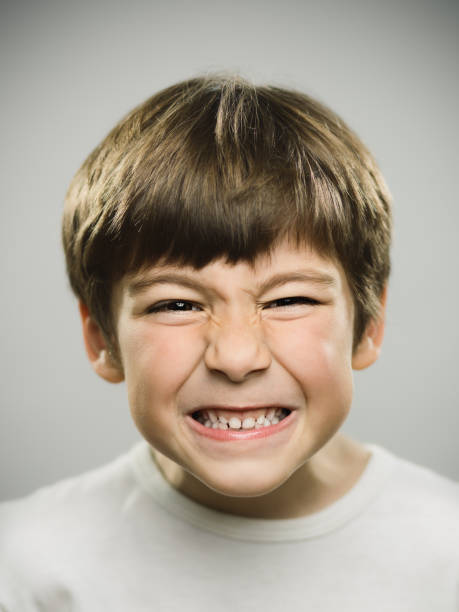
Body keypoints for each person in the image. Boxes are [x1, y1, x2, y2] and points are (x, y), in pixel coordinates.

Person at [0, 75, 457, 611]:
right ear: (101, 338)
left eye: (290, 301)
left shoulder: (448, 552)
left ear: (371, 323)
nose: (237, 358)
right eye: (177, 305)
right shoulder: (24, 564)